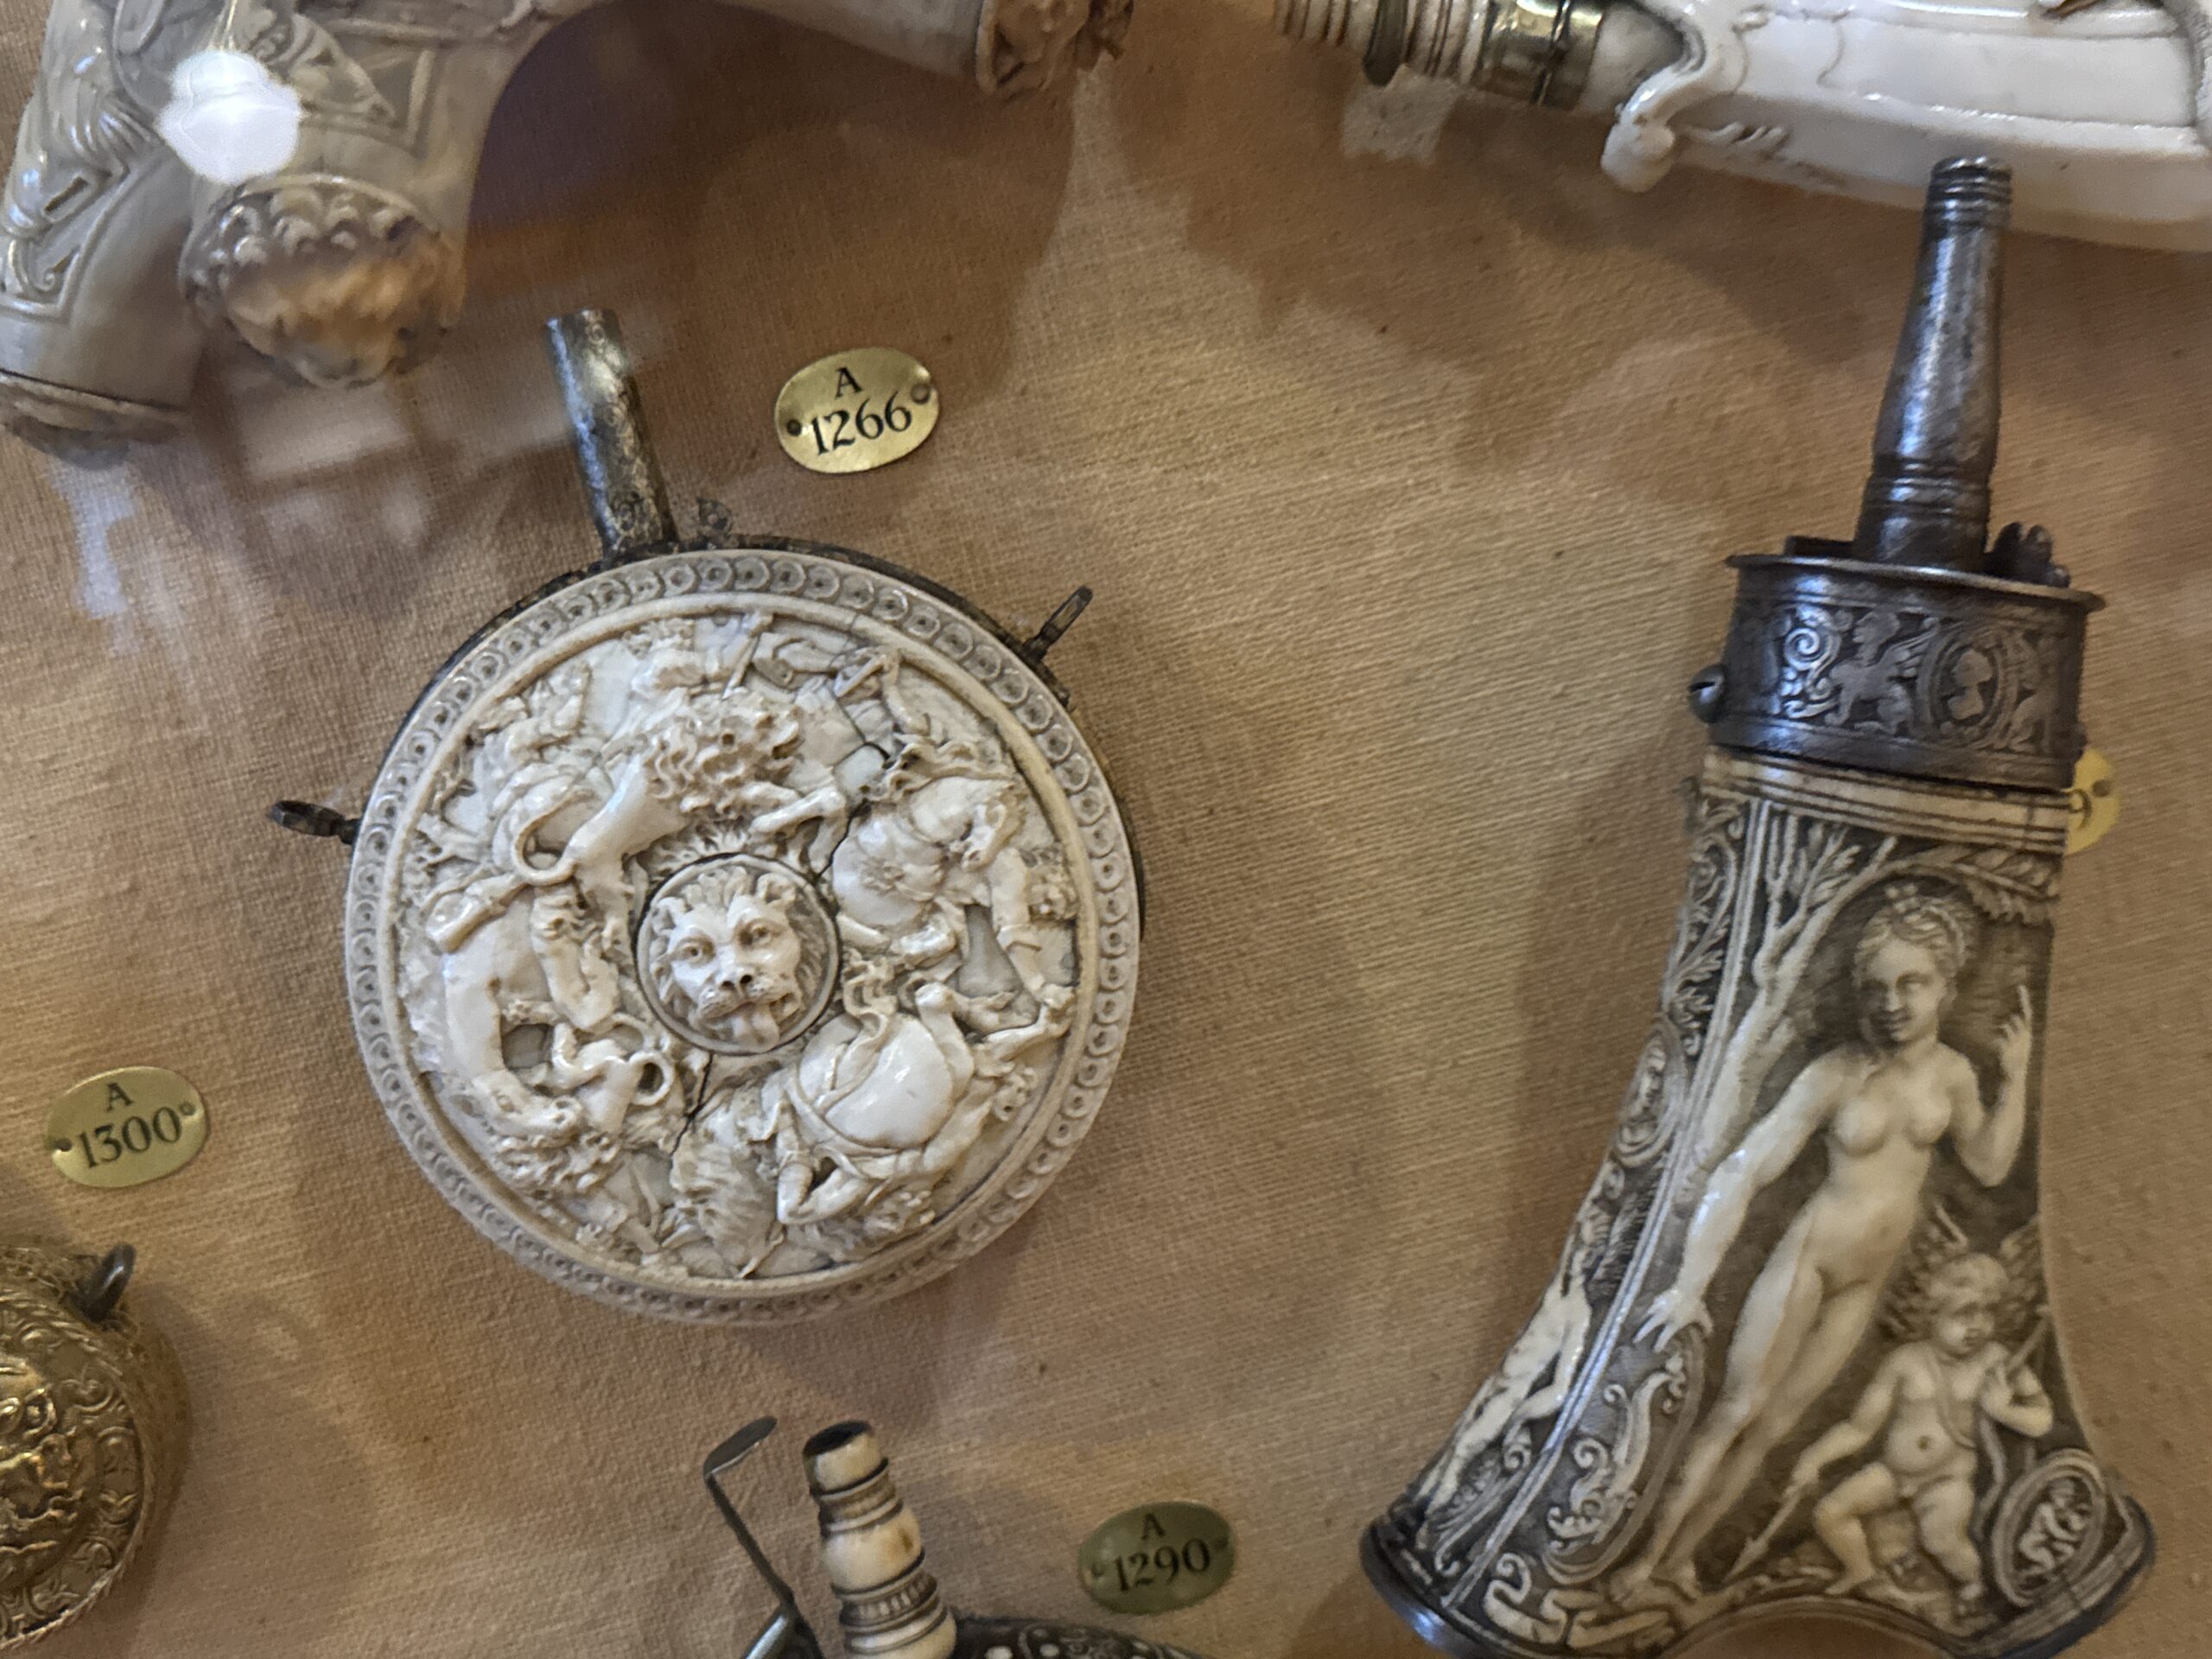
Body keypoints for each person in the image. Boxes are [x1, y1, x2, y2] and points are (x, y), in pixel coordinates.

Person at [1618, 885, 2032, 1602]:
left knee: (1774, 1430)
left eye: (1911, 984)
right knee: (1738, 1411)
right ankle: (1638, 1567)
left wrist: (2019, 1078)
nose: (1892, 1003)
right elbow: (1747, 1170)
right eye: (1877, 988)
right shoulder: (1836, 1072)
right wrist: (1689, 1284)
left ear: (1946, 986)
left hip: (1864, 1282)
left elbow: (1991, 1166)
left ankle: (1679, 1564)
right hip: (1809, 1262)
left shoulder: (1954, 1077)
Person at [1788, 1253, 2053, 1616]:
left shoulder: (1996, 1362)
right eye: (1964, 1313)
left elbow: (2042, 1419)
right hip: (1894, 1474)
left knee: (1942, 1540)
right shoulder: (1905, 1362)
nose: (1977, 1326)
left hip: (1946, 1480)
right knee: (1830, 1513)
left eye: (1987, 1313)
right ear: (1933, 1313)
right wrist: (1814, 1458)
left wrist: (2004, 1411)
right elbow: (1859, 1428)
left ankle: (1977, 1585)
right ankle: (1861, 1570)